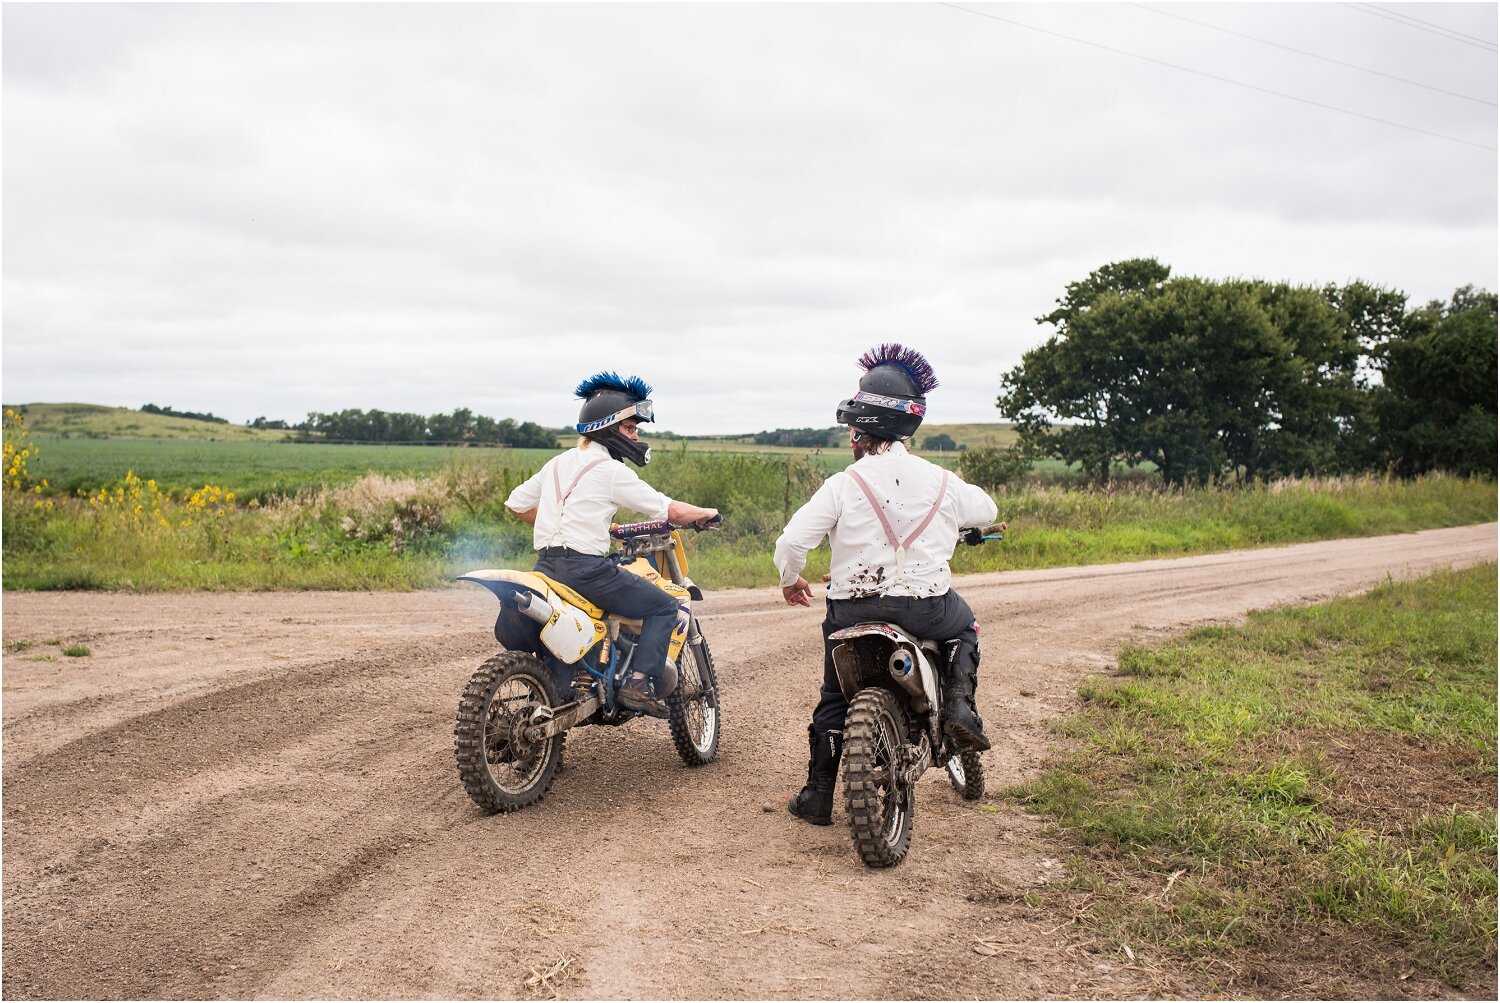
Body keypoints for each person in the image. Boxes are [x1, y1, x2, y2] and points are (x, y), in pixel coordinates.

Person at [773, 344, 999, 826]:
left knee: (835, 695)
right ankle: (959, 705)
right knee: (966, 626)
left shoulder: (842, 484)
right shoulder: (942, 482)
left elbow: (792, 542)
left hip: (851, 610)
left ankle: (817, 793)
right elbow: (988, 511)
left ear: (861, 427)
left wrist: (792, 580)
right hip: (925, 609)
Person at [505, 371, 718, 716]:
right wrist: (705, 513)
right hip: (585, 571)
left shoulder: (558, 463)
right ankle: (637, 684)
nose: (636, 436)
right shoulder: (610, 470)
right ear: (609, 427)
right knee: (664, 607)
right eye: (631, 428)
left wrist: (579, 524)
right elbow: (670, 510)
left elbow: (517, 503)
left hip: (545, 568)